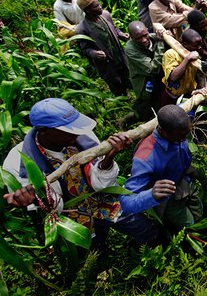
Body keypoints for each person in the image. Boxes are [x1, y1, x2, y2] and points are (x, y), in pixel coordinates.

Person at [2, 98, 159, 248]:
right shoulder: (19, 163)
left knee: (141, 227)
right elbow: (49, 209)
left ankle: (154, 246)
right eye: (68, 129)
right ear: (44, 131)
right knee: (92, 246)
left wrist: (109, 157)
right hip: (72, 219)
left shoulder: (82, 137)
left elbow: (101, 182)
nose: (76, 133)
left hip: (103, 199)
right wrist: (36, 200)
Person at [119, 105, 203, 230]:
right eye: (180, 137)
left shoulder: (180, 127)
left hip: (186, 181)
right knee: (190, 224)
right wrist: (151, 195)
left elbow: (190, 109)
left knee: (199, 211)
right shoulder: (145, 158)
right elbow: (126, 203)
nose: (184, 139)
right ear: (163, 131)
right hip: (169, 198)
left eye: (187, 134)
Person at [75, 0, 131, 96]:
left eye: (99, 4)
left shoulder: (105, 15)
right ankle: (121, 100)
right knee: (114, 82)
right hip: (106, 63)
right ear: (88, 10)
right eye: (96, 6)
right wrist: (95, 53)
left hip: (118, 55)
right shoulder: (82, 29)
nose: (100, 7)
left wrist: (121, 34)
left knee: (125, 75)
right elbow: (85, 49)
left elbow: (114, 29)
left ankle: (127, 91)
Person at [125, 21, 166, 121]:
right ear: (131, 37)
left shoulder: (152, 37)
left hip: (156, 77)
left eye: (145, 35)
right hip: (143, 79)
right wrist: (160, 44)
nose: (143, 40)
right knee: (146, 102)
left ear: (147, 31)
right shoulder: (130, 49)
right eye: (138, 38)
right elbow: (153, 69)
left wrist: (166, 35)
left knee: (157, 99)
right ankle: (132, 118)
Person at [161, 29, 207, 106]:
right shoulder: (171, 54)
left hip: (189, 94)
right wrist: (187, 59)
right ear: (185, 44)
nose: (199, 47)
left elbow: (199, 76)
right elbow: (173, 77)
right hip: (172, 96)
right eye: (196, 45)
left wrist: (198, 91)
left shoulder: (196, 53)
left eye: (200, 44)